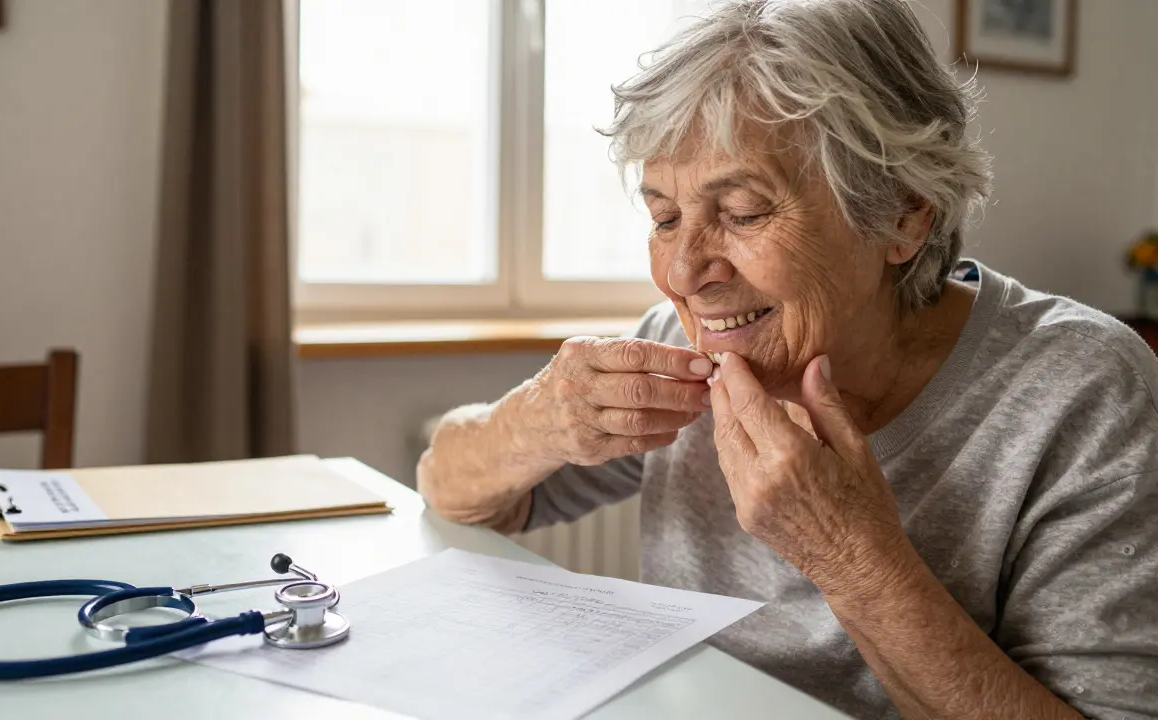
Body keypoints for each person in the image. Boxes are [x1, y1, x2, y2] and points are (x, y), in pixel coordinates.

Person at [416, 0, 1158, 718]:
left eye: (741, 214)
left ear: (903, 213)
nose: (682, 273)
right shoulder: (686, 345)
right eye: (664, 218)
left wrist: (847, 554)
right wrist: (540, 418)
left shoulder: (1086, 392)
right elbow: (449, 489)